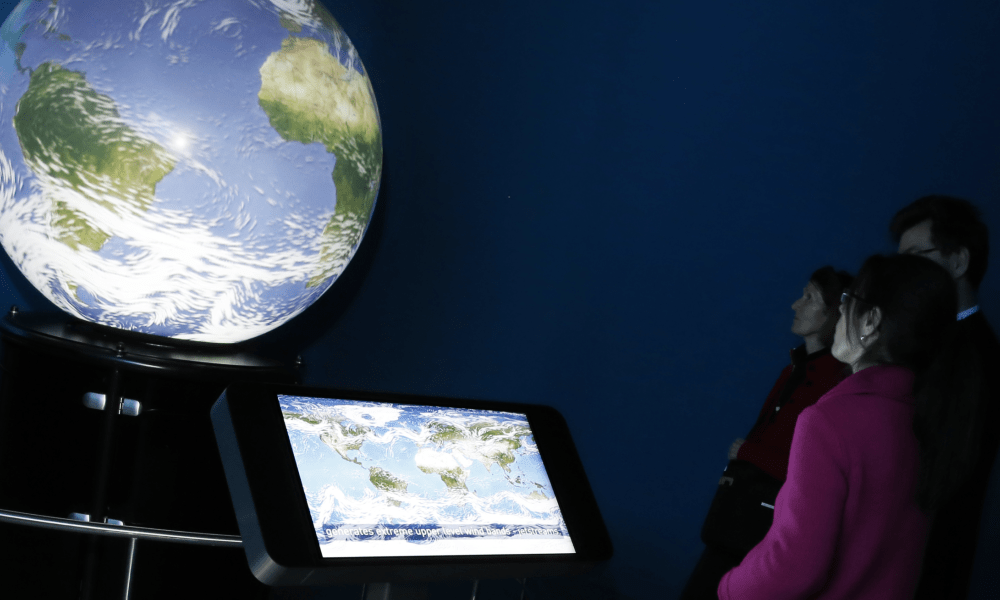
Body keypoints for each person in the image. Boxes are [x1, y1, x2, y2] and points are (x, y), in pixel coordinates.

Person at [718, 253, 986, 600]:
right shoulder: (932, 419)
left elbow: (794, 567)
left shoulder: (831, 421)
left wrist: (728, 588)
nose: (841, 309)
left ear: (870, 321)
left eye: (848, 299)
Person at [678, 266, 852, 600]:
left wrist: (747, 453)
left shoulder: (835, 382)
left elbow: (816, 473)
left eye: (810, 297)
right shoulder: (794, 369)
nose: (795, 305)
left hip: (764, 531)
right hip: (735, 519)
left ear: (834, 312)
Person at [891, 195, 1000, 600]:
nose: (901, 276)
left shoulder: (976, 356)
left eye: (915, 258)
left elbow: (943, 483)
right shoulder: (937, 344)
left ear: (958, 261)